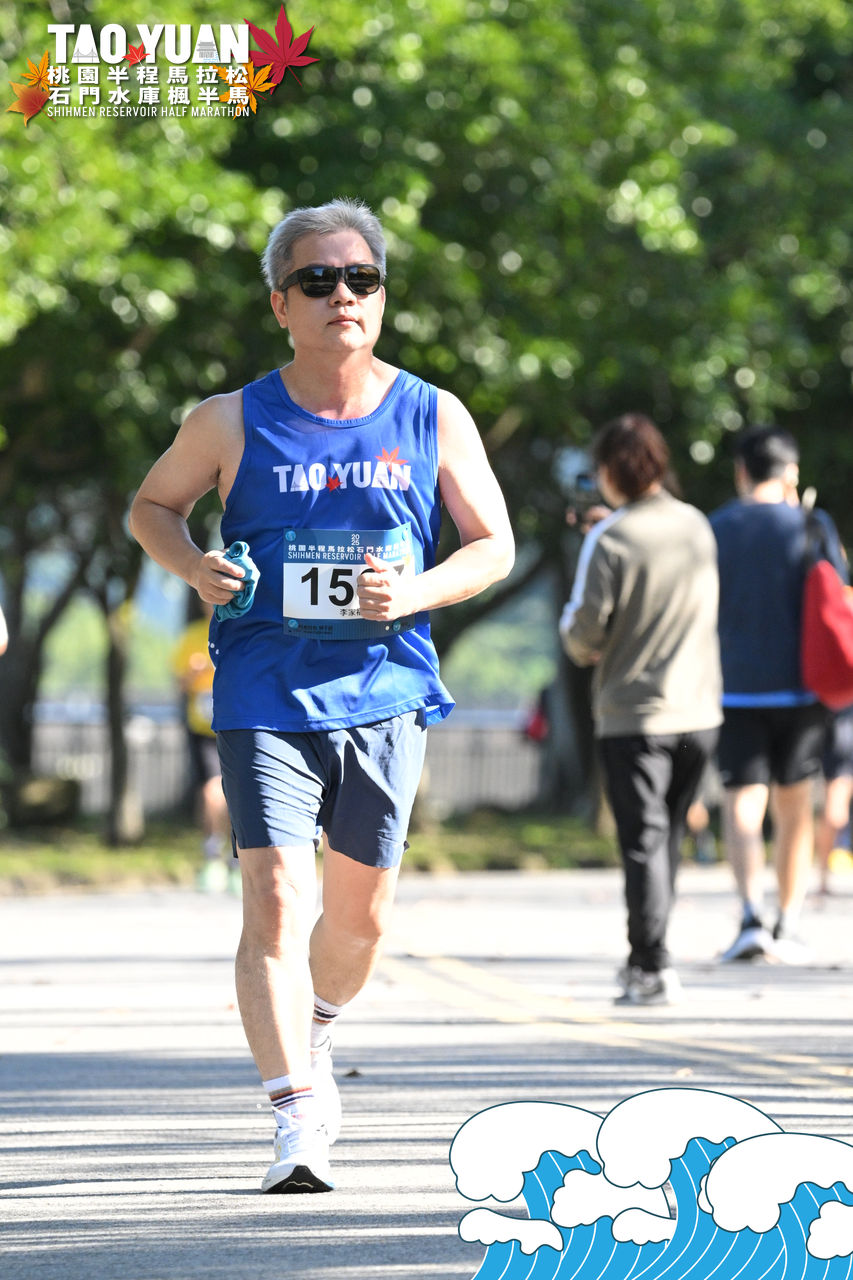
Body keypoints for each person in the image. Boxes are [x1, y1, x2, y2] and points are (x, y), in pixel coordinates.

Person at [128, 197, 514, 1194]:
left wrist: (414, 592)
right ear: (280, 303)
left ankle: (318, 1026)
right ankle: (295, 1113)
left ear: (380, 297)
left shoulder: (432, 413)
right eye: (318, 280)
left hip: (385, 690)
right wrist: (195, 566)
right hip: (263, 688)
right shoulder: (228, 419)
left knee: (360, 922)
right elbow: (152, 506)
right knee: (273, 896)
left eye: (361, 279)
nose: (342, 294)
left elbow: (493, 545)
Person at [559, 414, 722, 1006]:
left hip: (634, 717)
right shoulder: (697, 525)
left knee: (642, 842)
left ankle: (650, 965)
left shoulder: (610, 538)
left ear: (608, 470)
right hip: (699, 711)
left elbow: (584, 633)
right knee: (668, 837)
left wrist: (578, 636)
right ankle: (653, 953)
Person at [709, 424, 847, 962]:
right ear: (791, 472)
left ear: (741, 470)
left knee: (742, 805)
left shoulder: (717, 526)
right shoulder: (813, 525)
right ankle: (787, 924)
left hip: (734, 689)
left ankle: (750, 918)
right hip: (803, 690)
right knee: (795, 807)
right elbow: (838, 593)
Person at [171, 602, 234, 893]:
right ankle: (212, 852)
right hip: (203, 728)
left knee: (238, 792)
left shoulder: (242, 630)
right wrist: (194, 674)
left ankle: (236, 856)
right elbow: (179, 683)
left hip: (237, 723)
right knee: (211, 791)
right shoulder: (193, 635)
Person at [815, 706, 853, 895]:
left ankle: (823, 878)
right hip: (842, 723)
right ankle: (823, 877)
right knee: (835, 811)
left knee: (835, 810)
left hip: (840, 721)